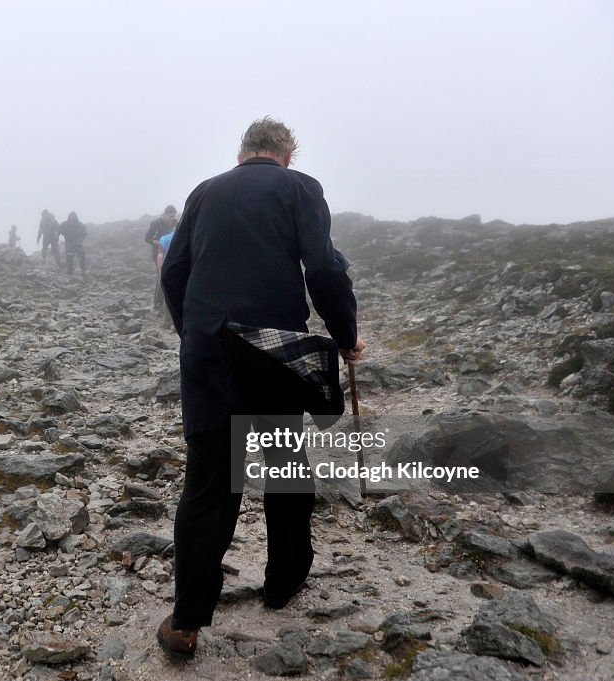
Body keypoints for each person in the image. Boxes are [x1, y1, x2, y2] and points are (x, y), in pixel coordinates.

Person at [157, 117, 365, 661]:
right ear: (286, 155)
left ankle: (186, 623)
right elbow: (322, 268)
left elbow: (174, 273)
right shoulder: (299, 188)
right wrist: (345, 335)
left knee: (209, 483)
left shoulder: (203, 193)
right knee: (284, 463)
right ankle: (284, 582)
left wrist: (196, 335)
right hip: (272, 350)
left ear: (243, 151)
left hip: (208, 351)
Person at [145, 205, 179, 308]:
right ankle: (157, 302)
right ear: (165, 214)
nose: (172, 218)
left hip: (171, 253)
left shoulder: (175, 223)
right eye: (171, 216)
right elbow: (148, 238)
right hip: (158, 254)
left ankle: (168, 303)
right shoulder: (156, 223)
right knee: (161, 277)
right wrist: (160, 243)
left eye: (174, 216)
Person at [58, 211, 87, 275]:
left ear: (76, 218)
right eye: (71, 218)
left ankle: (83, 269)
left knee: (82, 255)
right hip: (69, 243)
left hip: (77, 243)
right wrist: (57, 235)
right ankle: (70, 272)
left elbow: (84, 233)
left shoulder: (80, 225)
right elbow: (58, 230)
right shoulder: (65, 224)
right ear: (69, 218)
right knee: (69, 257)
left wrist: (81, 239)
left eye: (73, 218)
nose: (72, 220)